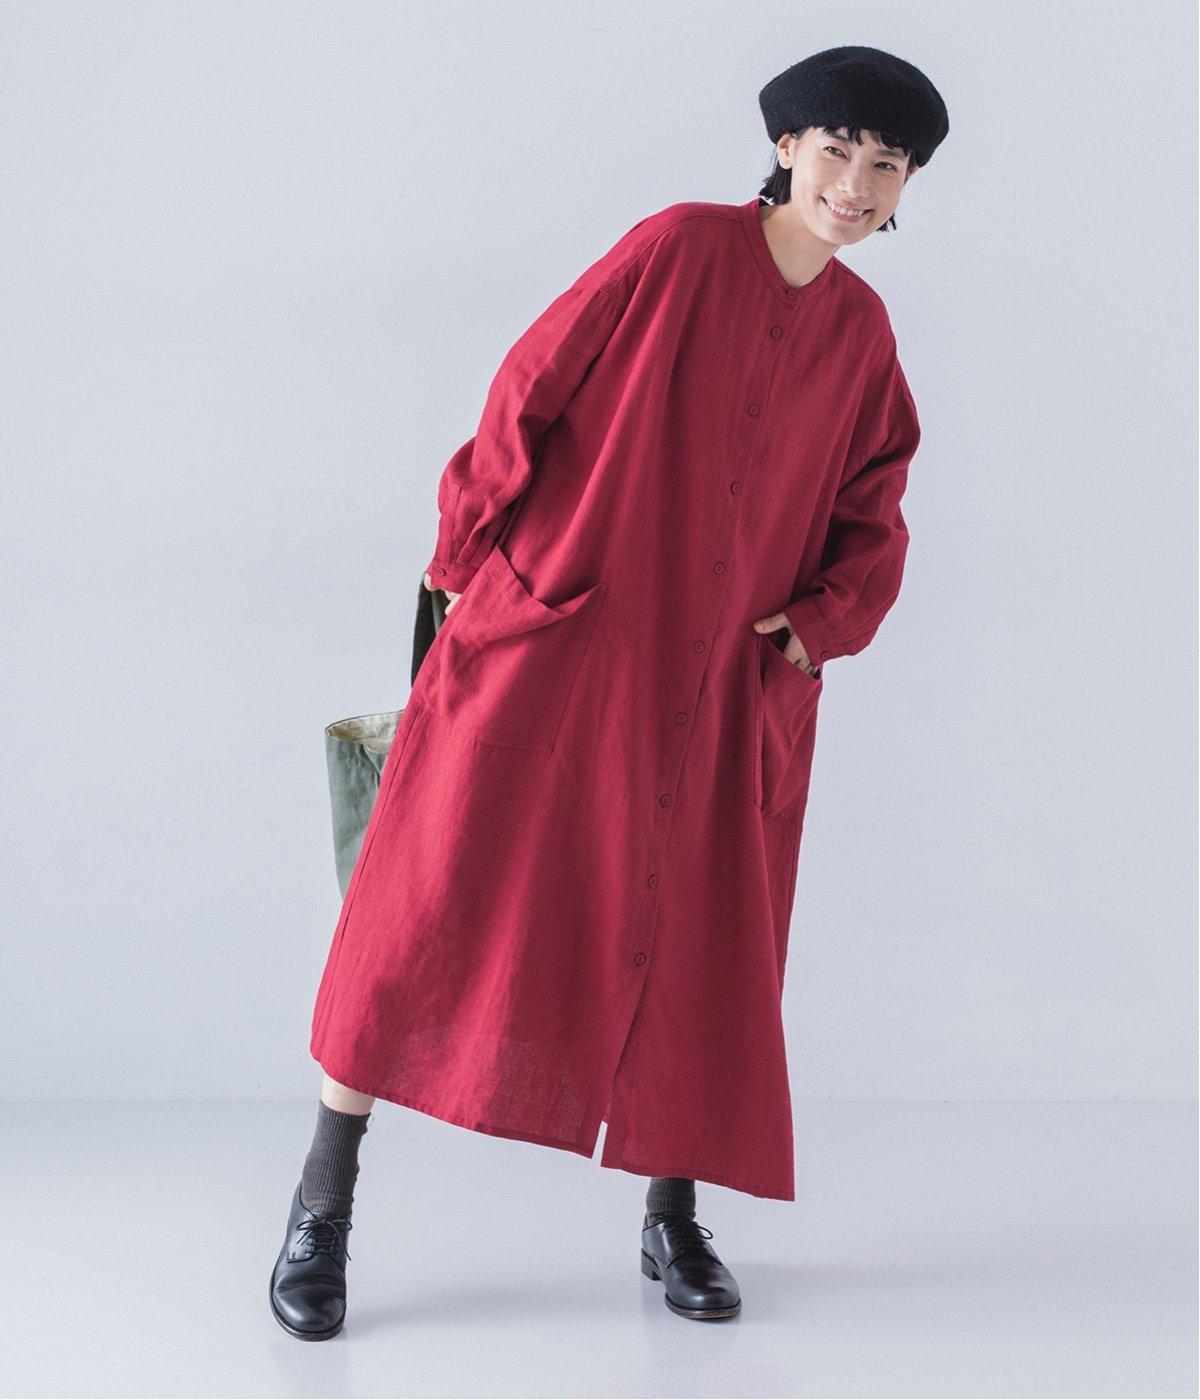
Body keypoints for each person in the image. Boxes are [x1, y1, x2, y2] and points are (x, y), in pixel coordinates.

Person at [270, 44, 949, 1340]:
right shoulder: (679, 249)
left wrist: (817, 628)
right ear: (788, 146)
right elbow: (531, 385)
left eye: (887, 165)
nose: (856, 186)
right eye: (838, 150)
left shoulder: (862, 335)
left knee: (697, 937)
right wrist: (468, 563)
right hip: (565, 643)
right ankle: (322, 1202)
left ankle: (671, 1213)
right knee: (424, 905)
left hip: (725, 687)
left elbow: (878, 509)